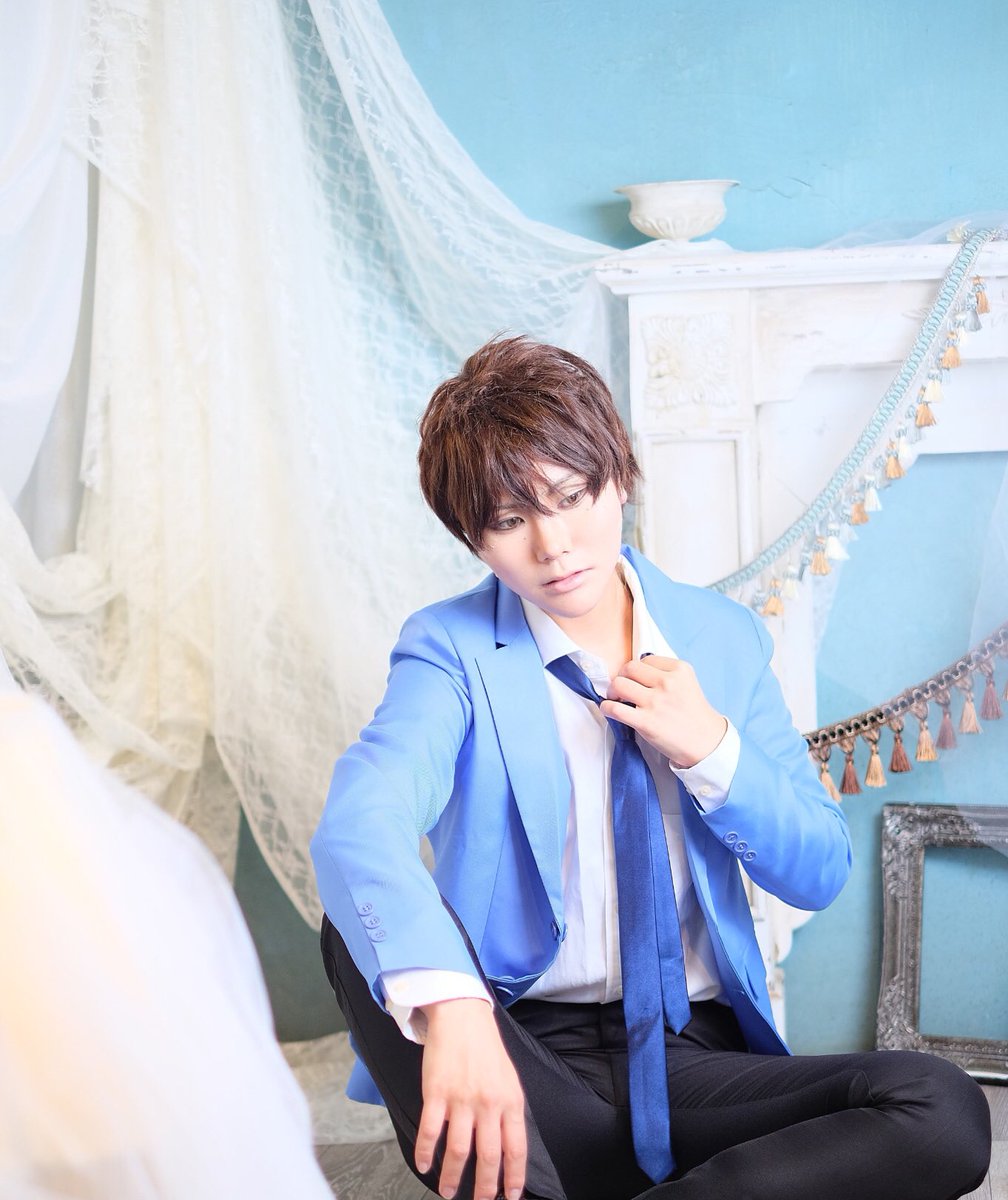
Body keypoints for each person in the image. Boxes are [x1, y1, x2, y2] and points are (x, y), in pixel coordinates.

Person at [311, 336, 990, 1200]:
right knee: (354, 928)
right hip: (520, 1064)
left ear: (620, 476)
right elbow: (357, 826)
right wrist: (456, 1009)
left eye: (571, 496)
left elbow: (818, 870)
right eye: (510, 521)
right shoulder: (450, 650)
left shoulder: (721, 638)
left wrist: (711, 749)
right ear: (473, 539)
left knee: (940, 1107)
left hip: (692, 1060)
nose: (554, 545)